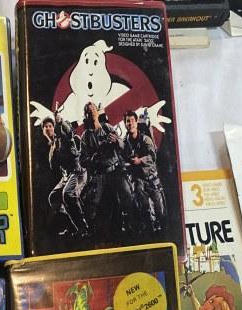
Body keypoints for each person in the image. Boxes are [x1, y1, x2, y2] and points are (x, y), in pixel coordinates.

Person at [80, 102, 133, 238]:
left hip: (115, 171)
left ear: (97, 112)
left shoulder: (107, 127)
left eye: (93, 109)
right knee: (92, 205)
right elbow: (83, 161)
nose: (91, 112)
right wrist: (96, 156)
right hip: (99, 175)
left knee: (127, 196)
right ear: (85, 116)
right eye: (88, 111)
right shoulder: (85, 136)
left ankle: (130, 226)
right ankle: (92, 232)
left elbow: (123, 146)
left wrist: (116, 141)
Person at [46, 111, 89, 238]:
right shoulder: (55, 144)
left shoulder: (70, 139)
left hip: (77, 173)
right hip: (66, 176)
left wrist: (61, 122)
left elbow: (69, 133)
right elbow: (53, 166)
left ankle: (83, 228)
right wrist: (53, 146)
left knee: (67, 194)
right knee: (54, 197)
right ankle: (72, 226)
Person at [122, 111, 166, 233]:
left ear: (136, 122)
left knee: (159, 208)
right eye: (127, 121)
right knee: (142, 205)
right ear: (125, 124)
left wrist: (139, 160)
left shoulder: (146, 139)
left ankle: (161, 229)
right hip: (138, 179)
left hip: (151, 177)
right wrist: (127, 165)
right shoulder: (124, 143)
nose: (130, 123)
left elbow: (152, 156)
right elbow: (122, 160)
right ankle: (148, 229)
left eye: (132, 120)